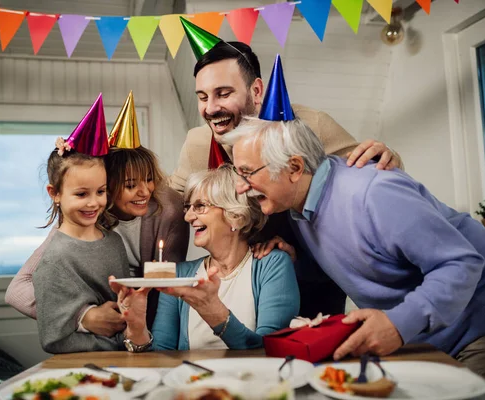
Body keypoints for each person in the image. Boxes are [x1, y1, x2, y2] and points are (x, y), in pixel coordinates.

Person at [226, 115, 485, 382]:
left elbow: (462, 264)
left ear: (295, 167)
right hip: (424, 341)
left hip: (480, 330)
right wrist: (298, 261)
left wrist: (398, 324)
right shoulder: (300, 206)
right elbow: (361, 260)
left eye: (247, 173)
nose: (240, 187)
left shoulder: (374, 194)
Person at [169, 20, 405, 317]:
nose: (211, 108)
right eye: (203, 97)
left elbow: (369, 175)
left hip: (312, 281)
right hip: (243, 289)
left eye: (224, 93)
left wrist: (389, 156)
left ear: (256, 90)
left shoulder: (312, 125)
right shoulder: (198, 143)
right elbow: (171, 202)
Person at [6, 92, 189, 332]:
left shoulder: (168, 210)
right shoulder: (83, 216)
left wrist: (152, 343)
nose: (145, 192)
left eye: (150, 179)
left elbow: (168, 291)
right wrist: (82, 317)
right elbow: (17, 289)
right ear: (107, 186)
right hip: (99, 335)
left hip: (146, 330)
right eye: (131, 185)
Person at [110, 164, 300, 351]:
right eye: (188, 207)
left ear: (235, 214)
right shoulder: (181, 274)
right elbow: (162, 354)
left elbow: (268, 349)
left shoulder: (273, 264)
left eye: (200, 206)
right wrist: (137, 329)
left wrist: (214, 312)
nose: (188, 217)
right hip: (194, 381)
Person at [32, 96, 131, 352]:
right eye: (81, 194)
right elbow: (53, 338)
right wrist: (90, 324)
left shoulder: (114, 242)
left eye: (101, 191)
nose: (93, 203)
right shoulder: (55, 258)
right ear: (54, 193)